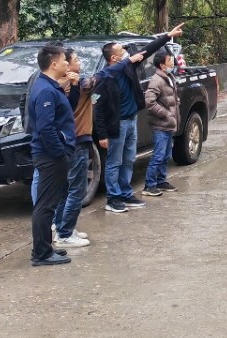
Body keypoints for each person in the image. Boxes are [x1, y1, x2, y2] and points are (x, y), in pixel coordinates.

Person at [93, 23, 184, 214]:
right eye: (122, 51)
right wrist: (102, 134)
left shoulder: (129, 66)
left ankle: (126, 194)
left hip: (131, 121)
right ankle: (113, 198)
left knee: (128, 160)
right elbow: (98, 109)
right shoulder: (104, 78)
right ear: (114, 58)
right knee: (114, 162)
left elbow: (148, 49)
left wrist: (167, 36)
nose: (127, 53)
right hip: (116, 125)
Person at [28, 42, 75, 267]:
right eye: (64, 60)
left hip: (52, 154)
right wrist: (60, 153)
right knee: (45, 206)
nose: (67, 63)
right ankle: (41, 253)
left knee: (48, 204)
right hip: (49, 157)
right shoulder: (45, 89)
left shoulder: (49, 86)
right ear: (54, 64)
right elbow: (45, 128)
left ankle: (46, 247)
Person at [51, 49, 94, 248]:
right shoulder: (73, 85)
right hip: (76, 141)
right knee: (77, 189)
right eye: (76, 60)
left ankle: (61, 226)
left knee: (66, 189)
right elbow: (100, 78)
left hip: (69, 142)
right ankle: (65, 233)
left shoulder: (59, 84)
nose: (79, 62)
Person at [142, 49, 180, 196]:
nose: (172, 63)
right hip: (160, 125)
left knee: (166, 155)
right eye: (169, 61)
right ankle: (149, 185)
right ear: (162, 65)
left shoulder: (169, 77)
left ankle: (161, 181)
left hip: (168, 124)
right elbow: (150, 102)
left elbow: (168, 98)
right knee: (158, 155)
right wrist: (165, 114)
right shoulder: (156, 80)